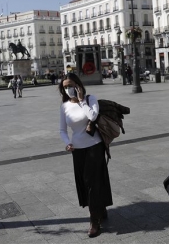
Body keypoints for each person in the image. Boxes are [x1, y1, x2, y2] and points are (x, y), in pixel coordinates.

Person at [58, 73, 112, 238]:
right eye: (65, 87)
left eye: (71, 85)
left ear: (78, 85)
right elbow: (62, 129)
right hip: (78, 149)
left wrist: (81, 101)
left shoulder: (90, 99)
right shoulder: (64, 106)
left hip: (95, 146)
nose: (68, 89)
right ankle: (100, 208)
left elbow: (93, 116)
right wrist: (67, 142)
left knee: (92, 182)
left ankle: (94, 221)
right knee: (85, 182)